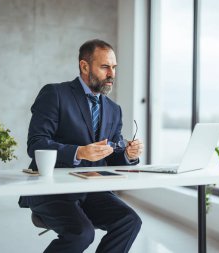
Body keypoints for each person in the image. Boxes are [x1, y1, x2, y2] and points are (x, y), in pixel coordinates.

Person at [18, 39, 144, 253]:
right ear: (85, 66)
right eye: (105, 67)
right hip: (51, 190)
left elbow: (114, 155)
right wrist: (79, 152)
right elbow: (36, 143)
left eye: (114, 67)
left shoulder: (114, 109)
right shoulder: (55, 94)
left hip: (91, 190)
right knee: (82, 234)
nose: (111, 73)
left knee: (130, 221)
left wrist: (129, 155)